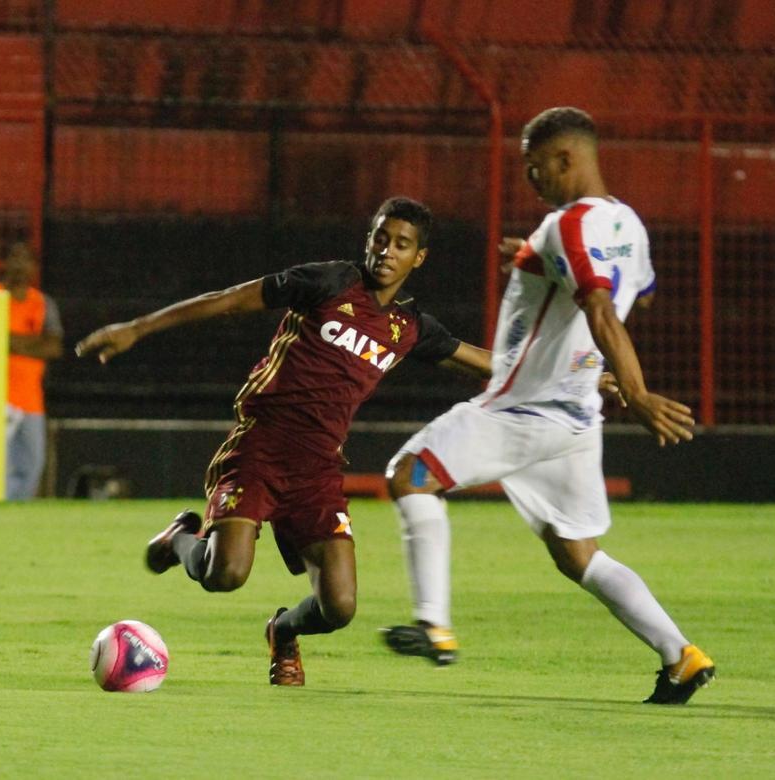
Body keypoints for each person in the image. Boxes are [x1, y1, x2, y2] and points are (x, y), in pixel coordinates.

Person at [76, 196, 492, 686]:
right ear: (369, 239)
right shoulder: (330, 282)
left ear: (418, 258)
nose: (387, 251)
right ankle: (180, 540)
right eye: (381, 238)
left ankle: (283, 630)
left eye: (401, 244)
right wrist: (138, 328)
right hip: (262, 444)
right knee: (226, 574)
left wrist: (567, 378)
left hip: (318, 469)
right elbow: (231, 299)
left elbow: (483, 363)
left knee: (340, 607)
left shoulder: (409, 327)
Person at [381, 106, 714, 705]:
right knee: (577, 553)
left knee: (410, 475)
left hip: (523, 411)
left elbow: (600, 310)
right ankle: (681, 656)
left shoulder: (567, 226)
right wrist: (540, 262)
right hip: (576, 419)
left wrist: (637, 391)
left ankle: (434, 625)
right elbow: (631, 294)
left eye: (535, 168)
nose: (531, 180)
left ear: (565, 159)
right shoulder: (628, 225)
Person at [0, 242, 63, 499]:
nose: (20, 264)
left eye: (26, 259)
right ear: (5, 263)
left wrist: (10, 341)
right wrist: (34, 342)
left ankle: (14, 510)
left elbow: (54, 347)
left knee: (32, 465)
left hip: (31, 400)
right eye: (14, 258)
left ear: (34, 267)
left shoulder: (42, 303)